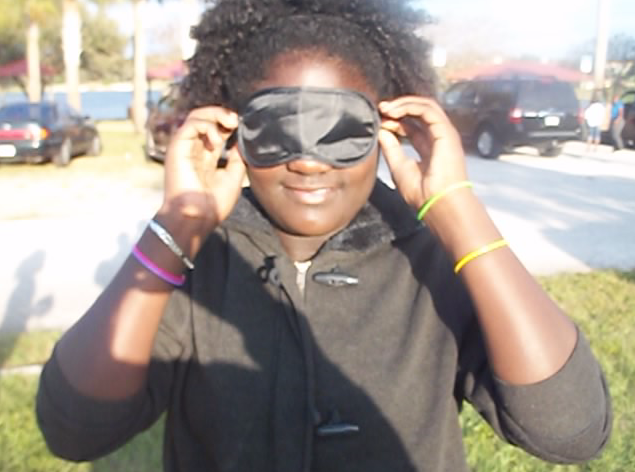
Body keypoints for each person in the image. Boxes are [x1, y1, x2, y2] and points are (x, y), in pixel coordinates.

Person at [35, 1, 612, 471]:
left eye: (341, 130)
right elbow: (74, 430)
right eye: (277, 128)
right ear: (234, 130)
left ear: (386, 127)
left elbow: (570, 431)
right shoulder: (196, 263)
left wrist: (459, 214)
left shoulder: (436, 260)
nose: (309, 162)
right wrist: (176, 228)